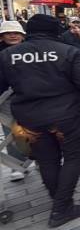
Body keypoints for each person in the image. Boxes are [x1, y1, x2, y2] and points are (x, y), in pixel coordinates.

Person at [0, 15, 80, 227]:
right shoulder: (67, 51)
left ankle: (60, 202)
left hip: (30, 118)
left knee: (47, 160)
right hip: (66, 116)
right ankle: (62, 208)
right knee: (73, 157)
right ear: (55, 30)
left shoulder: (8, 55)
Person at [0, 21, 29, 182]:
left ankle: (41, 160)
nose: (12, 35)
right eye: (8, 32)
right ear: (2, 36)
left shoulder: (32, 49)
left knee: (37, 130)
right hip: (6, 99)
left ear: (22, 35)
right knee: (11, 131)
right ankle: (16, 165)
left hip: (32, 97)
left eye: (16, 32)